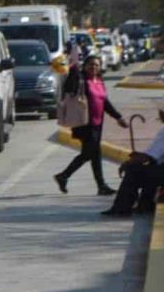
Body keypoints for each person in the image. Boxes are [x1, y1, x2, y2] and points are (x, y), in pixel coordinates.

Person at [103, 96, 164, 217]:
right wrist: (138, 158)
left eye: (161, 111)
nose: (159, 113)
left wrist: (128, 163)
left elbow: (149, 156)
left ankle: (121, 208)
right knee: (150, 170)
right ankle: (145, 206)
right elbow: (154, 155)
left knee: (133, 171)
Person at [54, 55, 128, 195]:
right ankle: (64, 176)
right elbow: (70, 85)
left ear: (100, 67)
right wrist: (73, 68)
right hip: (84, 124)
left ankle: (99, 185)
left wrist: (118, 117)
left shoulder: (99, 81)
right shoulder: (81, 80)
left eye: (97, 65)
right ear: (85, 65)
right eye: (91, 64)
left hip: (97, 123)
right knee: (90, 153)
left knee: (94, 154)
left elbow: (105, 103)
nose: (94, 67)